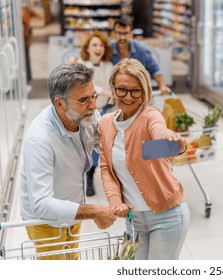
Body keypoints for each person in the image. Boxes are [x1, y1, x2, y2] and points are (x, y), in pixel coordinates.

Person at [19, 64, 117, 259]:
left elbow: (105, 146)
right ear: (59, 104)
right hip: (45, 221)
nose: (93, 106)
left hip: (73, 209)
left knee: (71, 259)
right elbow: (41, 204)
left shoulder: (86, 115)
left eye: (93, 96)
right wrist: (95, 211)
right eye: (83, 100)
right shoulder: (40, 139)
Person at [99, 58, 190, 259]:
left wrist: (172, 140)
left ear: (144, 91)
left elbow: (163, 137)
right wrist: (115, 202)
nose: (129, 97)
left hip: (168, 216)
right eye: (122, 89)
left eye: (136, 91)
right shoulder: (105, 124)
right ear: (113, 89)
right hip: (134, 221)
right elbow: (106, 168)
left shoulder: (150, 117)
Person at [70, 31, 115, 196]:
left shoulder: (108, 66)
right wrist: (106, 92)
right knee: (85, 145)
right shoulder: (81, 65)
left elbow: (112, 87)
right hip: (85, 113)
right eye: (94, 45)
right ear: (87, 48)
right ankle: (81, 176)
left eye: (101, 45)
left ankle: (90, 177)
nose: (98, 48)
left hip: (104, 111)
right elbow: (90, 87)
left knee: (99, 146)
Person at [111, 18, 171, 94]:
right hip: (114, 93)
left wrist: (162, 86)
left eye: (125, 33)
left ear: (131, 34)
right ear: (114, 34)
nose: (122, 37)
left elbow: (155, 70)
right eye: (119, 33)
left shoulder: (142, 50)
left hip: (138, 93)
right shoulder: (107, 49)